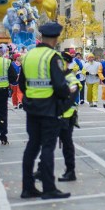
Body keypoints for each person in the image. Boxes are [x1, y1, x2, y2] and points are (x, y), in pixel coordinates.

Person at [20, 22, 71, 200]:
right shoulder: (53, 56)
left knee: (32, 146)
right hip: (49, 108)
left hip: (31, 107)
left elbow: (22, 84)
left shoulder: (28, 56)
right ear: (56, 38)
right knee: (48, 147)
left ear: (41, 37)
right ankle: (49, 188)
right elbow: (59, 85)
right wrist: (67, 92)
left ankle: (27, 187)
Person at [57, 51, 82, 183]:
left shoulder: (71, 79)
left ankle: (70, 171)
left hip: (66, 117)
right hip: (56, 116)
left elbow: (71, 99)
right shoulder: (57, 77)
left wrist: (60, 111)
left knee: (67, 144)